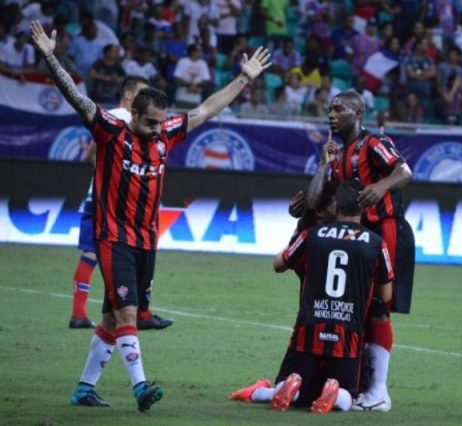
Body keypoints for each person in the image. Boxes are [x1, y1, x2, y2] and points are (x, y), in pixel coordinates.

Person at [31, 19, 271, 411]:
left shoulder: (167, 132)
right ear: (134, 115)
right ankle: (141, 387)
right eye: (150, 123)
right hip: (114, 237)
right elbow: (75, 96)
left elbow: (208, 108)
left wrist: (243, 78)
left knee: (111, 319)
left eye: (162, 122)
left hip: (146, 240)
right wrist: (50, 58)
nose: (158, 129)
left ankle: (83, 389)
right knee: (127, 311)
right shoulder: (110, 130)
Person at [229, 180, 393, 413]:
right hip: (348, 338)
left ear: (336, 208)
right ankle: (335, 394)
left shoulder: (311, 236)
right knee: (350, 397)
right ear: (363, 209)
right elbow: (385, 295)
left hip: (308, 334)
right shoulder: (377, 244)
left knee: (291, 390)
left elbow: (278, 264)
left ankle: (281, 389)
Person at [305, 90, 414, 411]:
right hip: (356, 238)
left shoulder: (373, 144)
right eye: (329, 109)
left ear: (358, 112)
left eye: (338, 109)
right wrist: (321, 170)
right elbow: (317, 201)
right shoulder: (338, 156)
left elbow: (405, 172)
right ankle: (364, 387)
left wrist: (380, 187)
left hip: (385, 230)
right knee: (360, 310)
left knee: (378, 307)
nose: (331, 114)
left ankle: (379, 392)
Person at [69, 75, 176, 331]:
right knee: (102, 254)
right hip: (108, 202)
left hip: (105, 199)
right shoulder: (120, 117)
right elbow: (95, 152)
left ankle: (85, 313)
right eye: (141, 93)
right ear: (129, 97)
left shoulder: (125, 121)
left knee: (95, 255)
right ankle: (84, 313)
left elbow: (88, 156)